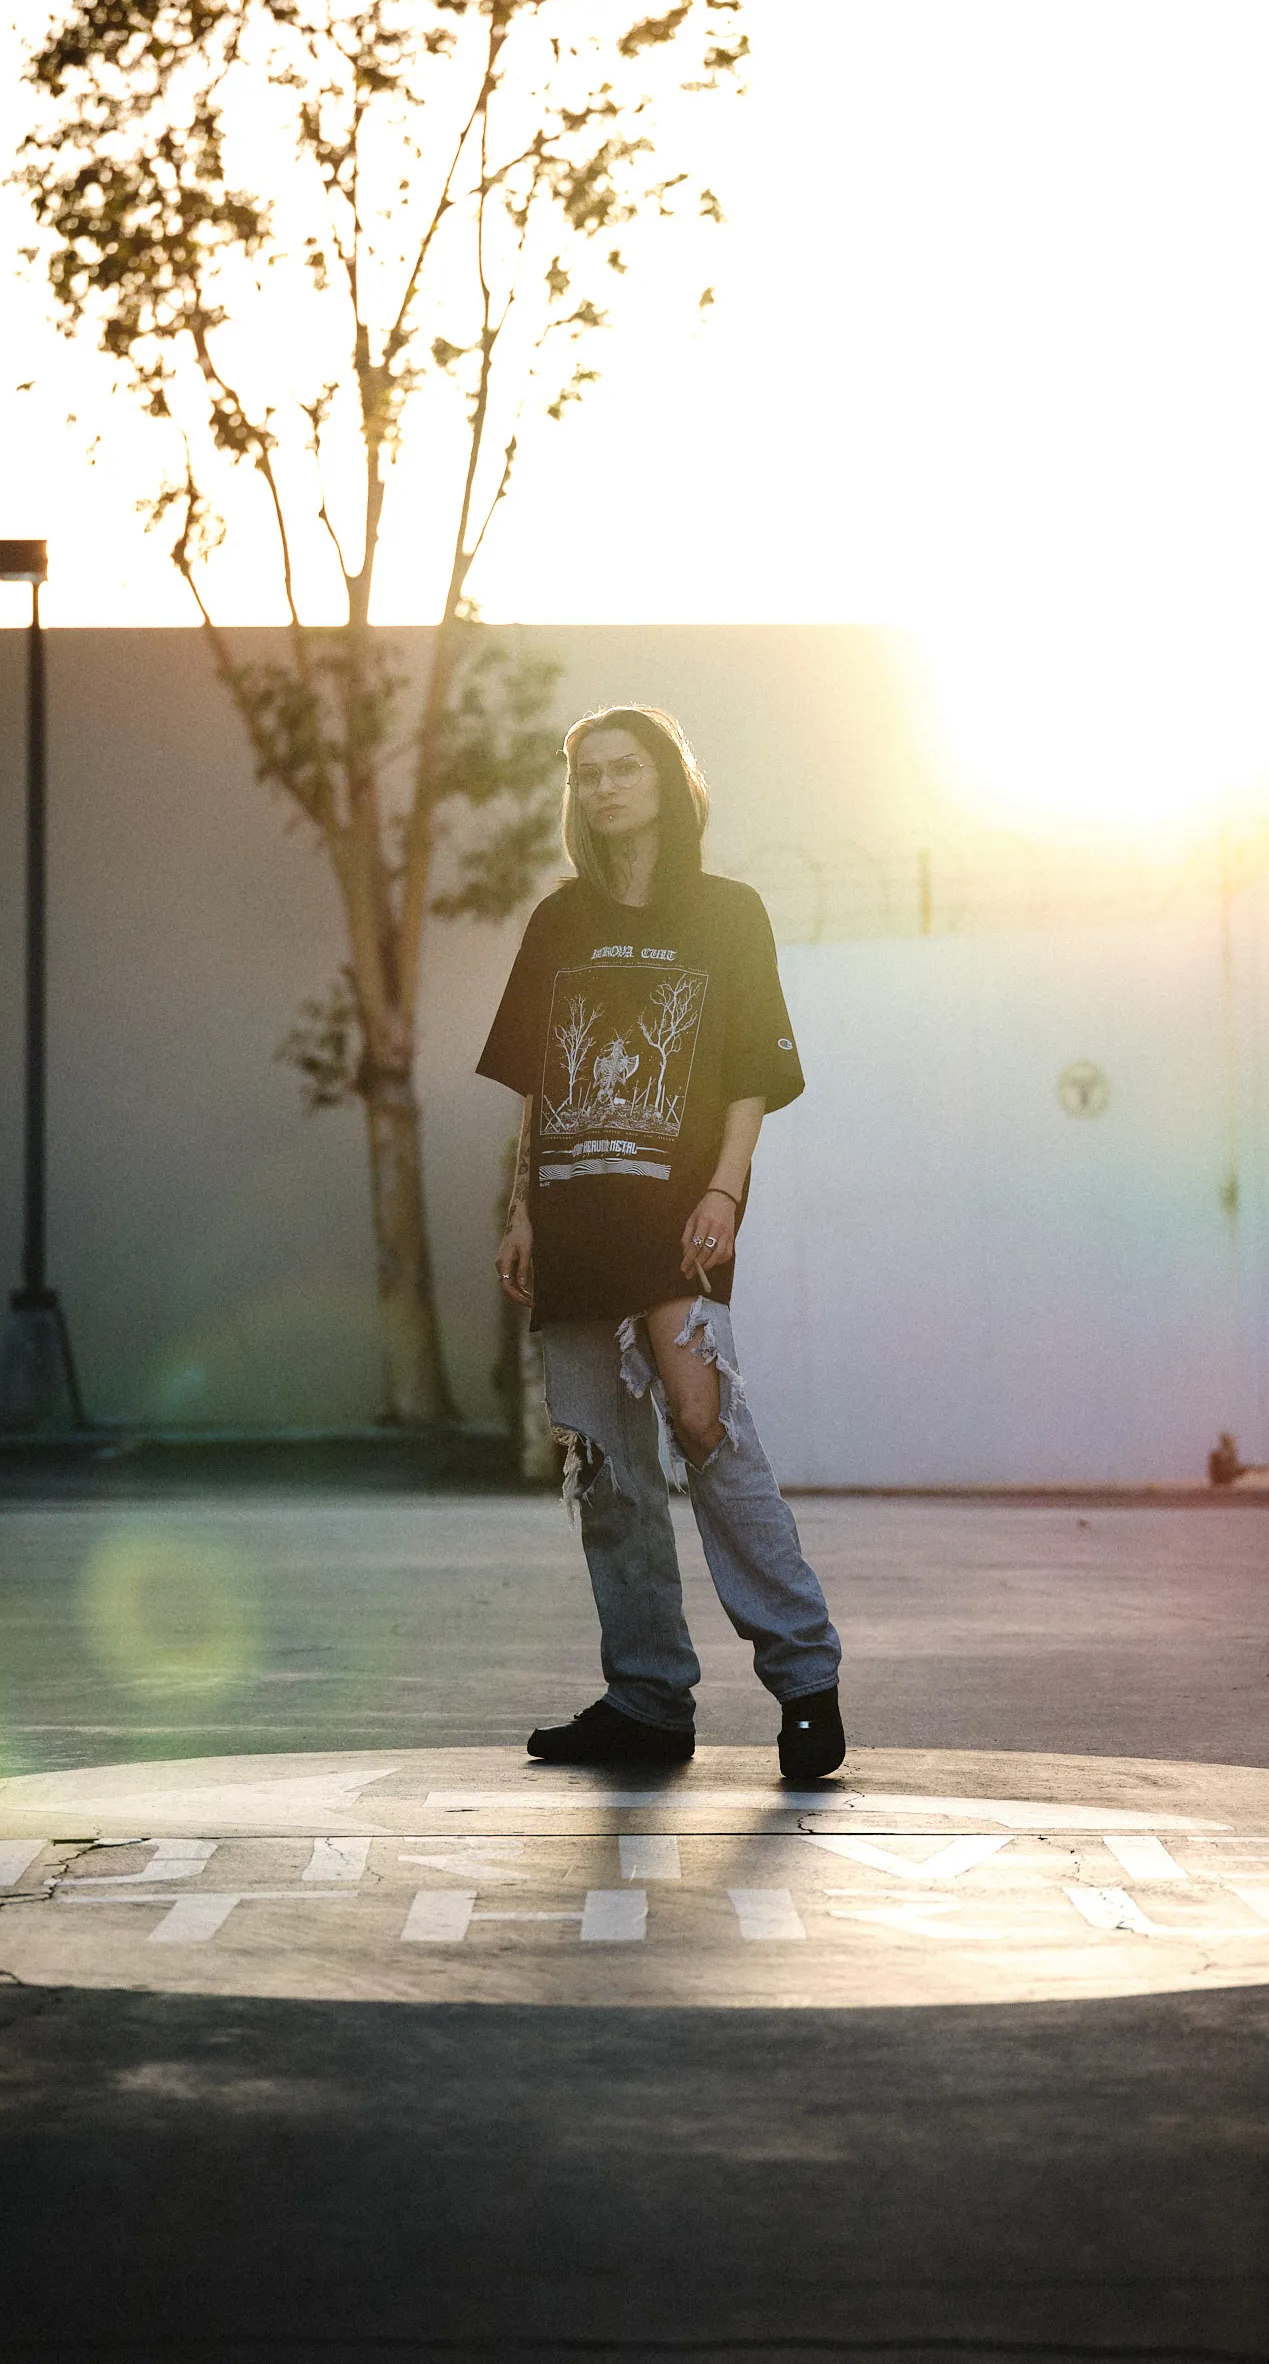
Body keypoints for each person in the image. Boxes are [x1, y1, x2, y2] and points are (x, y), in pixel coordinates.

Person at [477, 704, 846, 1783]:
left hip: (681, 1210)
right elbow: (538, 1081)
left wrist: (726, 1189)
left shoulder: (730, 912)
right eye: (587, 773)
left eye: (623, 768)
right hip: (574, 1212)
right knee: (603, 1460)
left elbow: (751, 1075)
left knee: (704, 1419)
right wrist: (521, 1206)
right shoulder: (558, 920)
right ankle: (645, 1699)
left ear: (669, 782)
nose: (603, 787)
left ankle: (806, 1677)